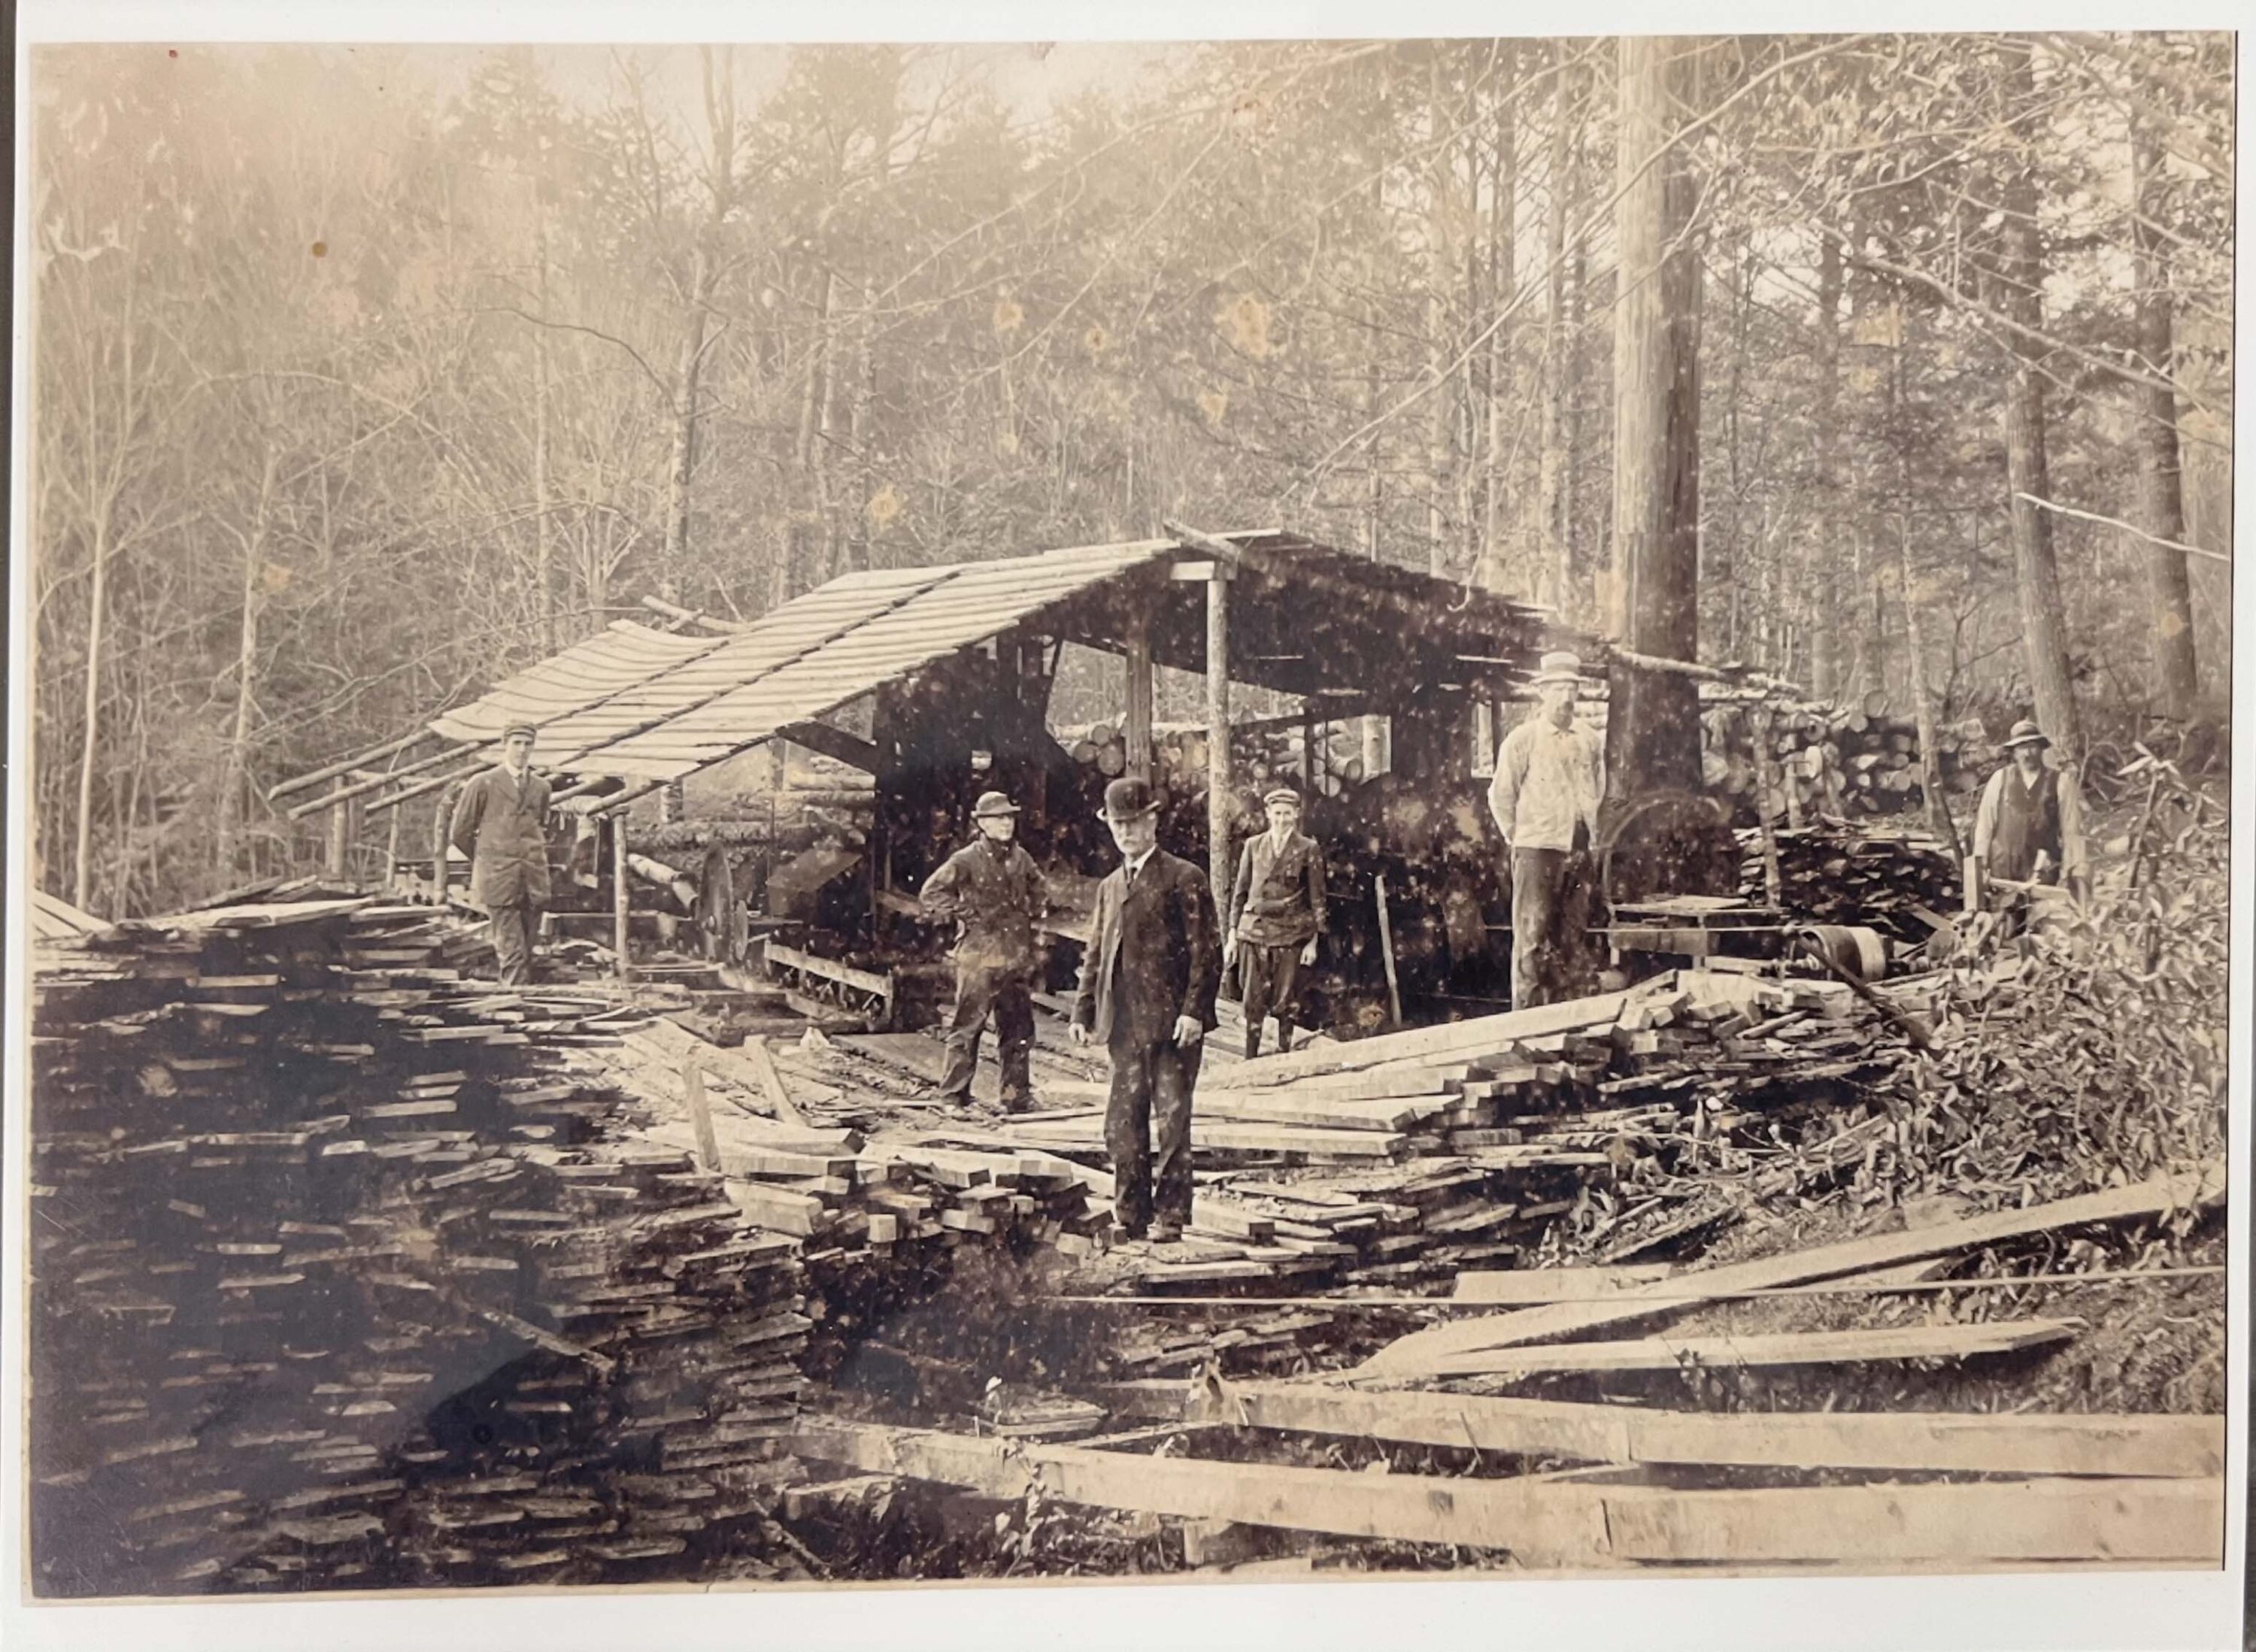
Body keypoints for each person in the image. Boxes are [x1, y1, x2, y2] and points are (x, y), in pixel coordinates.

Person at [1069, 778, 1221, 1244]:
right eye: (1119, 825)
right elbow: (1096, 951)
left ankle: (1171, 1217)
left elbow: (1206, 953)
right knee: (1123, 1123)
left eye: (1135, 823)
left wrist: (1194, 1012)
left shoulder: (1184, 877)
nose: (1127, 833)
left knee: (1172, 1124)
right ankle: (1130, 1214)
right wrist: (1083, 1010)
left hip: (1173, 1026)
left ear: (1153, 821)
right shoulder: (1111, 886)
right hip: (1124, 1028)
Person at [1487, 651, 1605, 1010]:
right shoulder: (1522, 740)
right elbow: (1500, 795)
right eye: (1557, 689)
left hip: (1579, 848)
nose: (1566, 697)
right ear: (1542, 693)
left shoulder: (1588, 739)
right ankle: (1526, 1024)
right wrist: (1519, 838)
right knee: (1532, 940)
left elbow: (1598, 788)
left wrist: (1589, 832)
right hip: (1537, 851)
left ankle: (1566, 1021)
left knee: (1572, 937)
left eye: (1572, 689)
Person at [918, 790, 1046, 1113]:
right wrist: (964, 913)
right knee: (968, 1027)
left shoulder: (1022, 858)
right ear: (982, 823)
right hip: (979, 956)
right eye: (998, 818)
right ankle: (953, 1096)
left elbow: (1039, 888)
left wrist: (1033, 913)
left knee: (1018, 1030)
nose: (1006, 823)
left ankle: (1015, 1097)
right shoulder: (966, 859)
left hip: (1014, 957)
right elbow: (931, 893)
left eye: (1009, 817)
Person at [1224, 786, 1327, 1059]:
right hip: (1253, 931)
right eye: (1277, 813)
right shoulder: (1253, 846)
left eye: (1287, 814)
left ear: (1296, 815)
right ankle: (1250, 1057)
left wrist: (1313, 942)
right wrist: (1233, 934)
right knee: (1252, 1000)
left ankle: (1283, 1054)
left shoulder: (1308, 848)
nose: (1281, 819)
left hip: (1290, 934)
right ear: (1268, 814)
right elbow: (1240, 892)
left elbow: (1318, 899)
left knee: (1286, 1000)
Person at [449, 722, 553, 986]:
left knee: (527, 951)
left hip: (533, 878)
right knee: (512, 953)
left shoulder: (542, 787)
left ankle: (518, 1005)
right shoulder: (483, 783)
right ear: (505, 745)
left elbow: (540, 825)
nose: (522, 750)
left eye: (528, 744)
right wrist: (488, 859)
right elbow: (460, 832)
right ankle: (515, 1013)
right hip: (498, 878)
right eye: (516, 743)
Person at [1971, 718, 2090, 903]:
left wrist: (2068, 871)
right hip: (2003, 872)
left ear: (2041, 748)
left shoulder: (2061, 782)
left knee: (2042, 924)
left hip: (2044, 872)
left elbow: (2071, 831)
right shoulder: (2000, 780)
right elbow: (1985, 826)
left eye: (2032, 746)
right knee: (2005, 926)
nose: (2027, 754)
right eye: (2021, 748)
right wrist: (1981, 865)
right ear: (2014, 753)